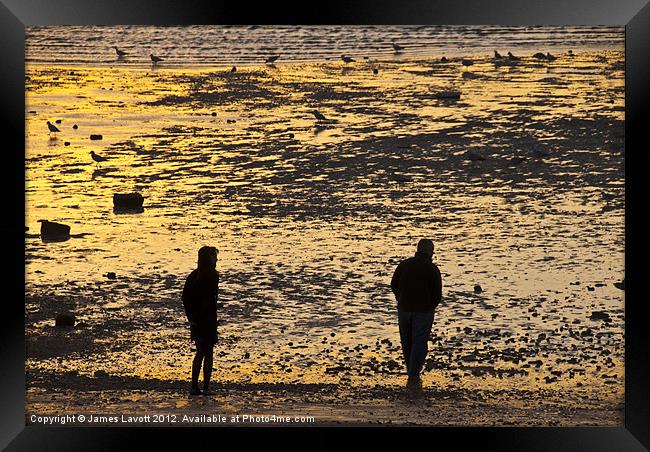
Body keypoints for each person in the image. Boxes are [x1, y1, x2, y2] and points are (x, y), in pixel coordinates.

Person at [390, 239, 442, 388]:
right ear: (430, 252)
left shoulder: (404, 265)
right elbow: (437, 294)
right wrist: (430, 306)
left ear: (418, 250)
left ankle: (411, 371)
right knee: (419, 342)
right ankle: (413, 374)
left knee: (407, 341)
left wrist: (400, 298)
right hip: (423, 310)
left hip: (404, 308)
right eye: (432, 251)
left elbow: (394, 284)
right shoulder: (432, 269)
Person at [182, 246, 219, 396]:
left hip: (196, 321)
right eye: (214, 257)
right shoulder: (213, 275)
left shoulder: (193, 275)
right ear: (209, 259)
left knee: (199, 353)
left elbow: (185, 298)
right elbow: (210, 298)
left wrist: (191, 317)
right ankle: (206, 388)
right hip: (207, 319)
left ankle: (193, 387)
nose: (216, 260)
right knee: (208, 352)